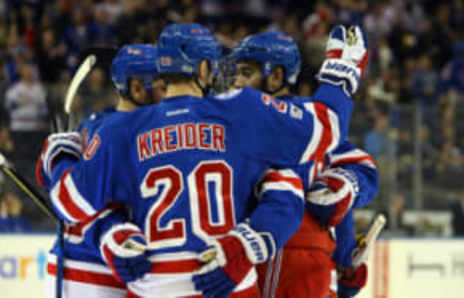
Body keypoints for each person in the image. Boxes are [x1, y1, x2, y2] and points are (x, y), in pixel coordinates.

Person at [36, 22, 366, 297]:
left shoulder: (119, 130)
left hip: (155, 285)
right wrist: (340, 73)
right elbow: (327, 126)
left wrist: (61, 156)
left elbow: (69, 203)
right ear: (204, 68)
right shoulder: (240, 109)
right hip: (226, 281)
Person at [229, 31, 377, 298]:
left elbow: (362, 171)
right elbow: (361, 168)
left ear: (276, 76)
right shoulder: (312, 121)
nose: (237, 81)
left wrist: (347, 186)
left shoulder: (286, 116)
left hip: (276, 257)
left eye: (246, 72)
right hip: (263, 254)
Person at [37, 44, 163, 298]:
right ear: (136, 88)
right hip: (91, 269)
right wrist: (58, 157)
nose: (170, 94)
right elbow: (68, 198)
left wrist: (58, 156)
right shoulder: (122, 131)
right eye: (163, 86)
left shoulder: (95, 124)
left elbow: (47, 176)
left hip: (111, 264)